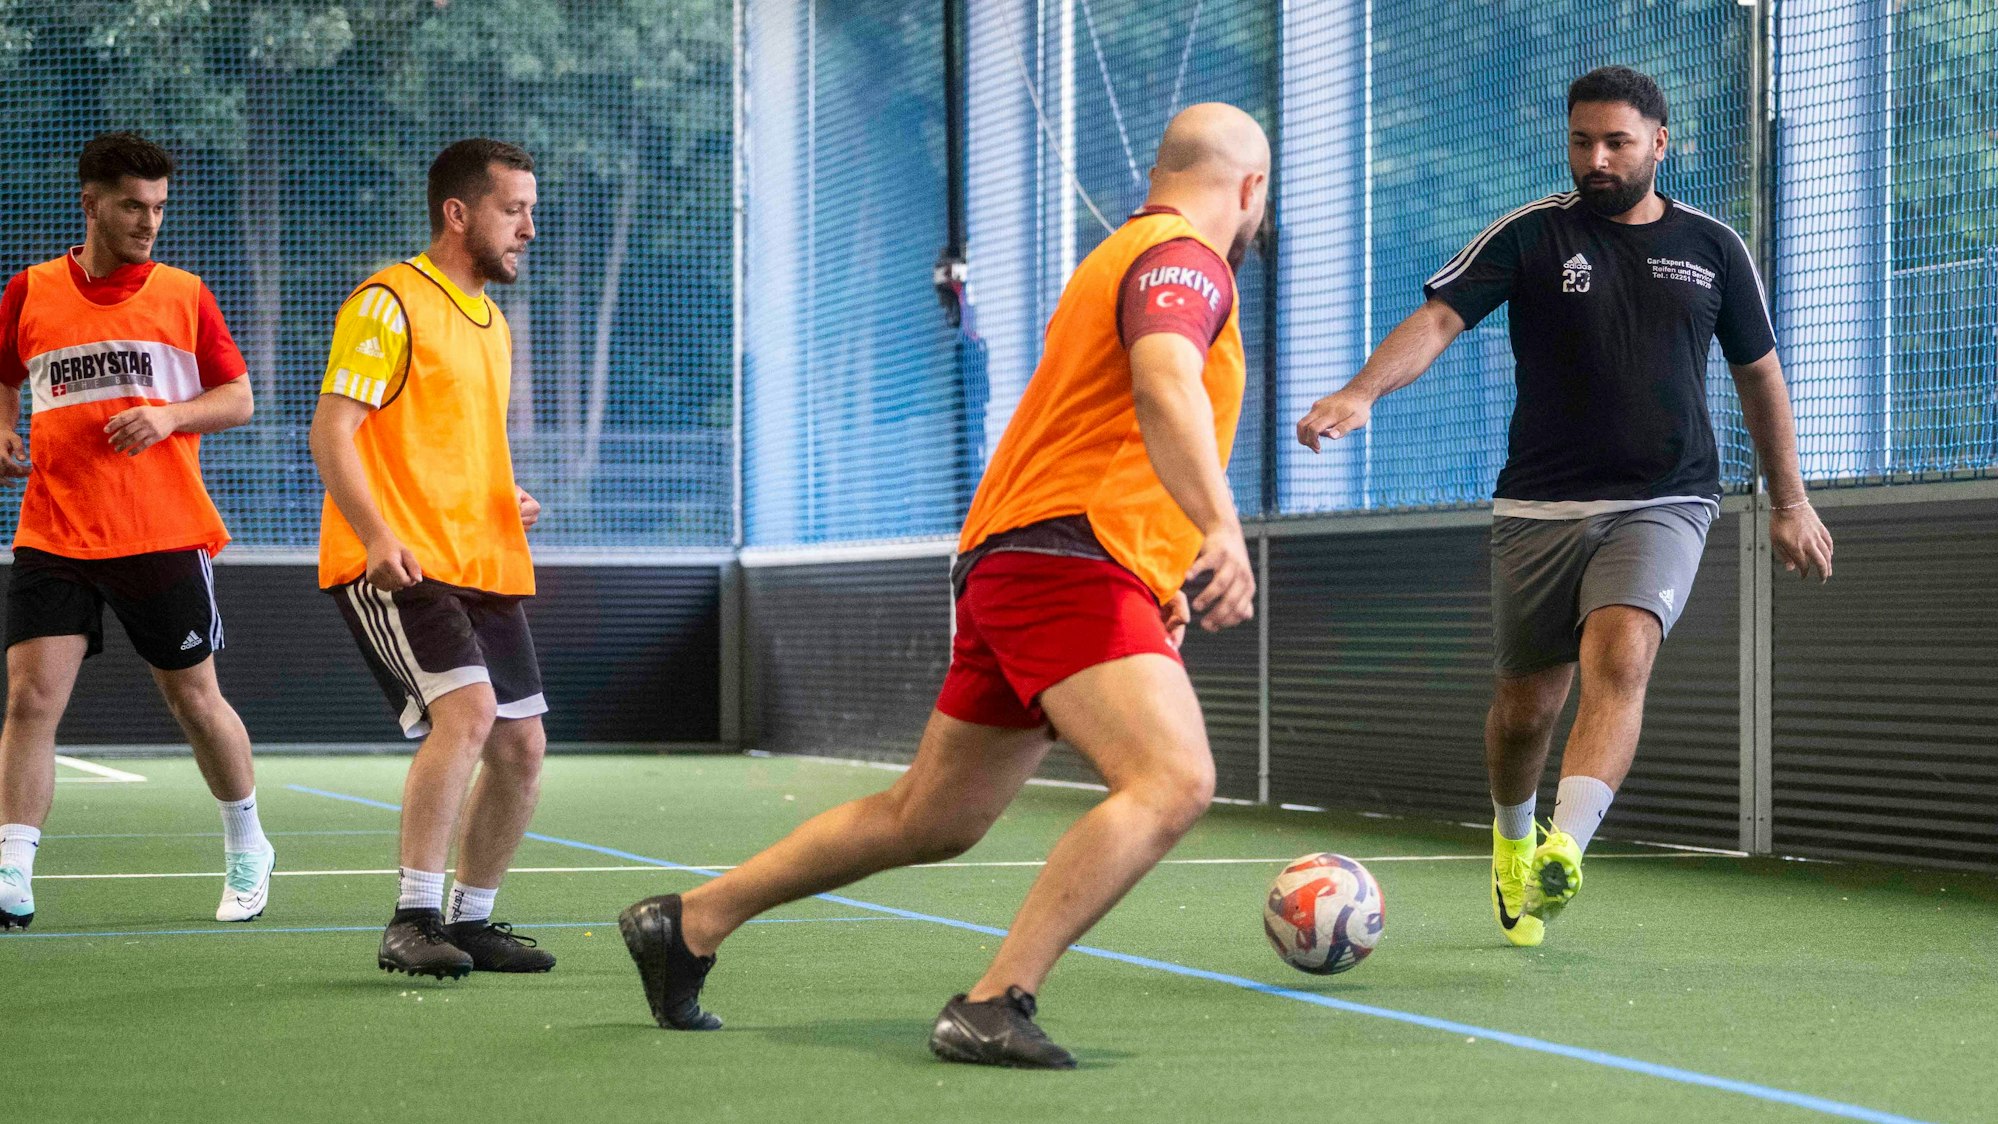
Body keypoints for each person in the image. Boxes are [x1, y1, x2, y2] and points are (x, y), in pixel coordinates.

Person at [620, 103, 1270, 1069]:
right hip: (1063, 559)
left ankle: (691, 920)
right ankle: (994, 1002)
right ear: (1250, 190)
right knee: (1174, 780)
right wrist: (1223, 527)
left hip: (1029, 557)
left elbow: (1103, 436)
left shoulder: (1125, 253)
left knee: (932, 816)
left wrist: (1160, 564)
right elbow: (1164, 381)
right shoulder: (1188, 260)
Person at [1295, 67, 1834, 947]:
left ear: (1661, 142)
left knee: (1622, 655)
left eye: (1618, 141)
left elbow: (1759, 375)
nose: (1598, 158)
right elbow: (1438, 319)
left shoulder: (1713, 248)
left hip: (1668, 497)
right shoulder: (1531, 234)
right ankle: (1512, 841)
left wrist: (1791, 500)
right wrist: (1362, 393)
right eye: (1583, 140)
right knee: (1525, 710)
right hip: (1539, 506)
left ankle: (1564, 850)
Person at [0, 133, 271, 931]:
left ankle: (249, 845)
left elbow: (240, 400)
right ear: (90, 203)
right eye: (132, 206)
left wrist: (169, 416)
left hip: (161, 531)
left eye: (158, 207)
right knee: (30, 698)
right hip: (54, 529)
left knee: (194, 700)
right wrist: (4, 430)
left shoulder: (185, 294)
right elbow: (4, 375)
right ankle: (12, 868)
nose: (149, 221)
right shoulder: (28, 293)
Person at [309, 138, 553, 979]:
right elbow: (332, 430)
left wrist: (502, 493)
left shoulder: (494, 325)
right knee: (471, 713)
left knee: (523, 746)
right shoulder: (389, 303)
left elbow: (451, 444)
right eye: (513, 209)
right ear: (459, 213)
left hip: (480, 558)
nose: (529, 227)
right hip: (400, 562)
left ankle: (472, 921)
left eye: (530, 209)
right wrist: (378, 536)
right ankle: (411, 918)